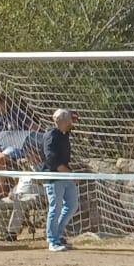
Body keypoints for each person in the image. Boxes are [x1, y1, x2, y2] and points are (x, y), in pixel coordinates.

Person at [44, 107, 78, 253]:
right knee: (55, 209)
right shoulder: (51, 135)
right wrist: (71, 174)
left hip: (65, 176)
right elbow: (53, 161)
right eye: (69, 119)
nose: (71, 122)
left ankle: (58, 234)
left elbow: (73, 120)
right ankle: (53, 240)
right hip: (54, 177)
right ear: (61, 121)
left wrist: (72, 116)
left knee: (72, 205)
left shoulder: (65, 133)